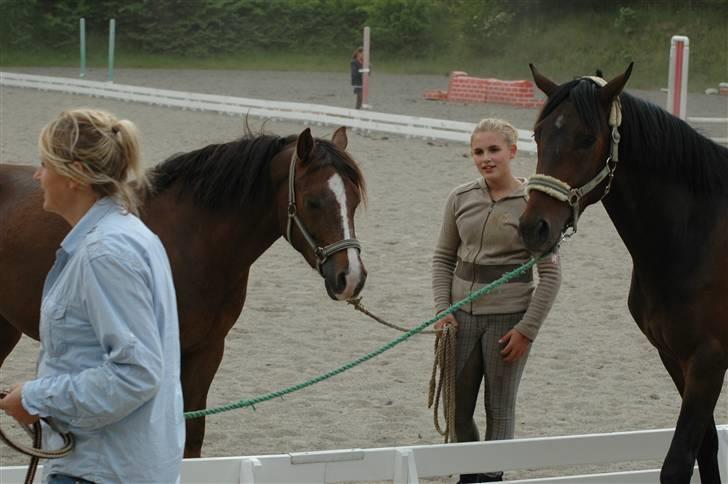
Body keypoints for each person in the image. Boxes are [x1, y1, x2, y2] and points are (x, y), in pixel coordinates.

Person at [0, 109, 185, 484]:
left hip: (99, 469)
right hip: (116, 463)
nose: (38, 176)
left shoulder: (105, 253)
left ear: (75, 175)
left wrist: (37, 398)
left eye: (45, 165)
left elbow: (135, 374)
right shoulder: (128, 235)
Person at [431, 118, 561, 483]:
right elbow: (442, 258)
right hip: (460, 319)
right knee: (456, 408)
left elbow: (550, 275)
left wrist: (527, 330)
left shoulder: (532, 205)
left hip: (508, 321)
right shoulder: (460, 198)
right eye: (478, 151)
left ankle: (490, 479)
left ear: (512, 152)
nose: (486, 158)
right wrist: (443, 310)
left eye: (493, 150)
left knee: (499, 409)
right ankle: (469, 475)